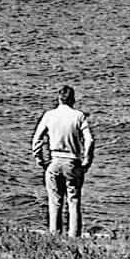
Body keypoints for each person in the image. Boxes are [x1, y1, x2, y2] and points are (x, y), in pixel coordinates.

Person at [29, 85, 96, 237]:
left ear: (59, 99)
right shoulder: (79, 116)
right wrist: (87, 160)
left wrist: (41, 160)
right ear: (73, 99)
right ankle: (74, 237)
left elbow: (37, 140)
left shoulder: (49, 115)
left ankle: (55, 235)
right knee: (73, 201)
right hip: (73, 162)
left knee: (55, 203)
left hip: (55, 160)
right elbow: (89, 140)